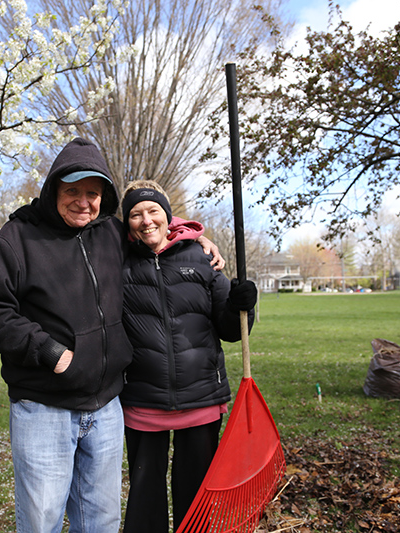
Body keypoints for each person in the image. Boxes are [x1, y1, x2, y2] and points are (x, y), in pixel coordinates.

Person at [0, 138, 222, 533]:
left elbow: (155, 232)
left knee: (101, 521)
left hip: (106, 408)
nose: (83, 202)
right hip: (44, 407)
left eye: (93, 193)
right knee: (42, 521)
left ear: (103, 197)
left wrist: (196, 241)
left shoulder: (109, 233)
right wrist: (51, 352)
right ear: (54, 188)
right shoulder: (16, 239)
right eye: (72, 191)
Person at [119, 180, 258, 533]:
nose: (146, 220)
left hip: (200, 398)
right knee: (144, 496)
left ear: (168, 216)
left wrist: (243, 305)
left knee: (195, 497)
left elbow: (229, 329)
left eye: (153, 211)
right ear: (127, 223)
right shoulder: (117, 261)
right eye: (135, 214)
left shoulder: (200, 256)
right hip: (142, 400)